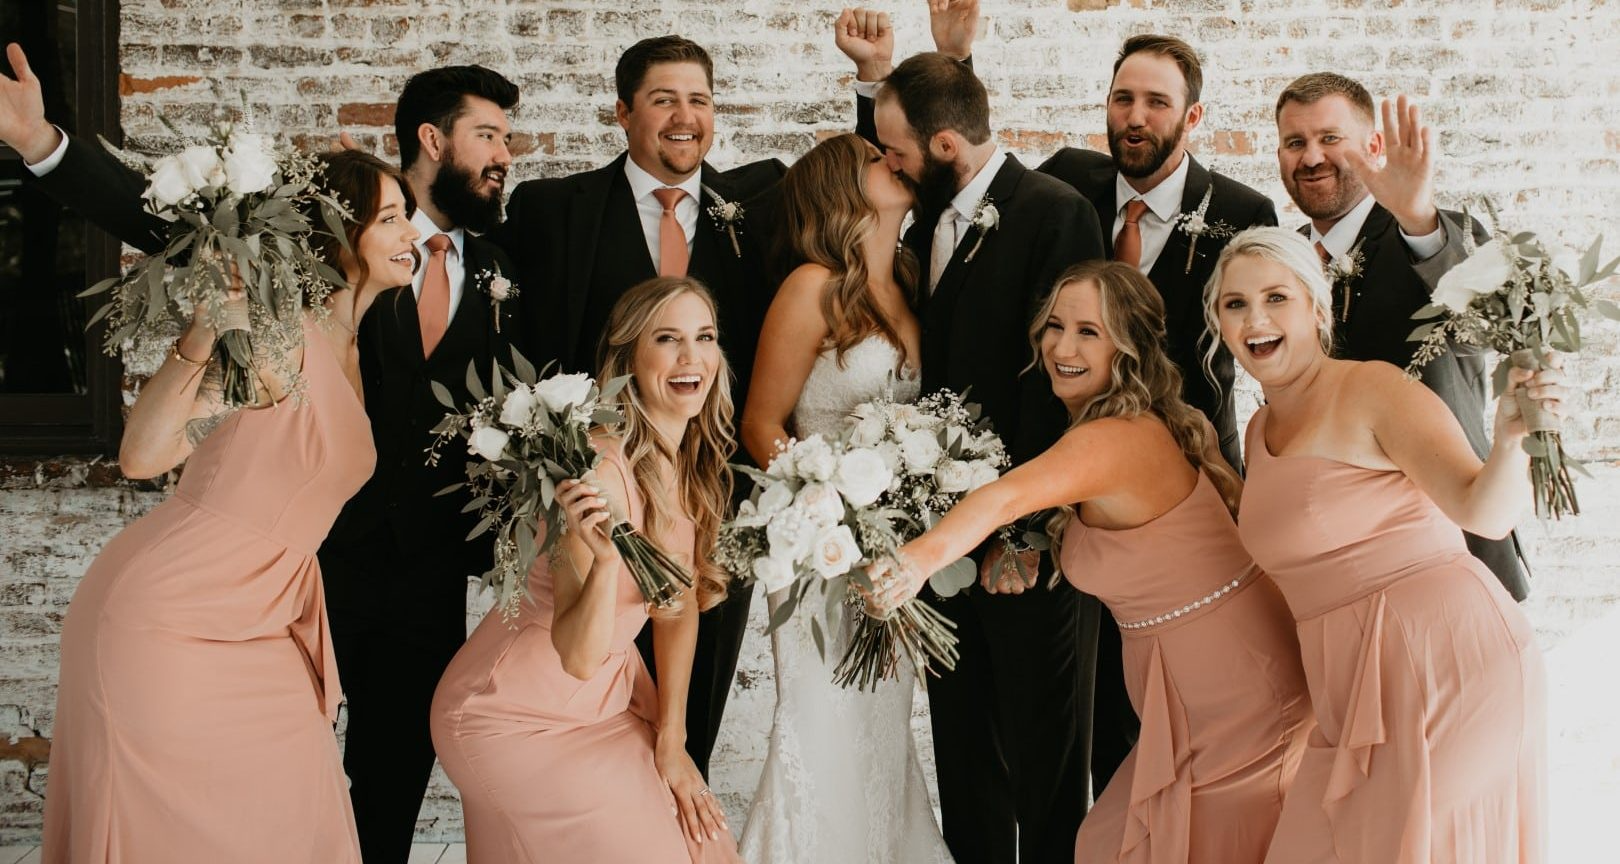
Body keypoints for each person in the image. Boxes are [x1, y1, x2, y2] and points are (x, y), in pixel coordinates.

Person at [17, 112, 420, 861]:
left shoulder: (362, 343)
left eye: (408, 218)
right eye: (390, 218)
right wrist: (202, 334)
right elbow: (143, 456)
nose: (411, 234)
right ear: (339, 234)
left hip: (265, 622)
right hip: (169, 617)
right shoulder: (277, 334)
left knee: (295, 821)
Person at [868, 260, 1312, 863]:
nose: (1062, 347)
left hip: (1235, 692)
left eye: (1088, 332)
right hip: (1188, 692)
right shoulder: (1137, 426)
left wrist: (916, 562)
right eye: (1055, 326)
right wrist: (1035, 546)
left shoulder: (1114, 438)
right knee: (1114, 844)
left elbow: (1002, 497)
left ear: (1127, 347)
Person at [839, 6, 1107, 861]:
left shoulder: (1053, 212)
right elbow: (881, 177)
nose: (887, 165)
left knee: (1045, 758)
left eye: (899, 151)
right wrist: (872, 83)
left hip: (1030, 546)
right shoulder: (923, 207)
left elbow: (1066, 383)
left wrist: (1024, 533)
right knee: (963, 748)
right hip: (937, 540)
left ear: (947, 148)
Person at [1206, 227, 1551, 863]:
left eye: (1276, 298)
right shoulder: (1257, 431)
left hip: (1443, 661)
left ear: (1315, 306)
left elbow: (1485, 512)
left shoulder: (1373, 389)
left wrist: (1508, 442)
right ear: (1219, 323)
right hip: (1346, 689)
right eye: (1235, 304)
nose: (1255, 319)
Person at [494, 36, 784, 777]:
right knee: (585, 690)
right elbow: (513, 345)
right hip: (594, 499)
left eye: (700, 100)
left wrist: (874, 81)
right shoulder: (550, 208)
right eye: (664, 99)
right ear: (622, 111)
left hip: (715, 498)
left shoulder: (757, 209)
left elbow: (866, 183)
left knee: (690, 723)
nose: (686, 116)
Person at [1035, 32, 1279, 797]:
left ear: (1193, 115)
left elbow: (1272, 342)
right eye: (1123, 98)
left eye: (1157, 102)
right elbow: (973, 182)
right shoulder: (1066, 181)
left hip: (1183, 489)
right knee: (1063, 696)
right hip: (1067, 485)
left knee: (1163, 698)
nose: (1135, 117)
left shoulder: (1243, 212)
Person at [430, 276, 742, 864]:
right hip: (514, 715)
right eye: (668, 339)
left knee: (706, 843)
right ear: (627, 359)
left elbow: (677, 612)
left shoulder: (691, 466)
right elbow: (577, 656)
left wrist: (673, 743)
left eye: (705, 337)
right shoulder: (597, 467)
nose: (691, 357)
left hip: (603, 706)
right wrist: (603, 561)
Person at [320, 65, 525, 864]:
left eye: (507, 136)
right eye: (488, 134)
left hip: (432, 570)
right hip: (318, 553)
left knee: (395, 766)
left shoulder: (512, 265)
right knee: (286, 743)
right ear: (432, 140)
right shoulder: (336, 238)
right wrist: (43, 148)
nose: (505, 152)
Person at [736, 132, 951, 863]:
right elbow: (761, 422)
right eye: (877, 158)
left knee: (882, 726)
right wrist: (830, 509)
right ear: (840, 188)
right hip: (820, 550)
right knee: (823, 725)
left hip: (894, 555)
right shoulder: (812, 285)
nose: (896, 161)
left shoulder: (913, 279)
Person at [1273, 73, 1529, 600]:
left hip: (1450, 549)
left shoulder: (1435, 232)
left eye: (1329, 138)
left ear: (1373, 146)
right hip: (1334, 563)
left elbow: (1503, 331)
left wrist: (1418, 218)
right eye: (1295, 142)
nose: (1311, 157)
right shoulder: (1284, 259)